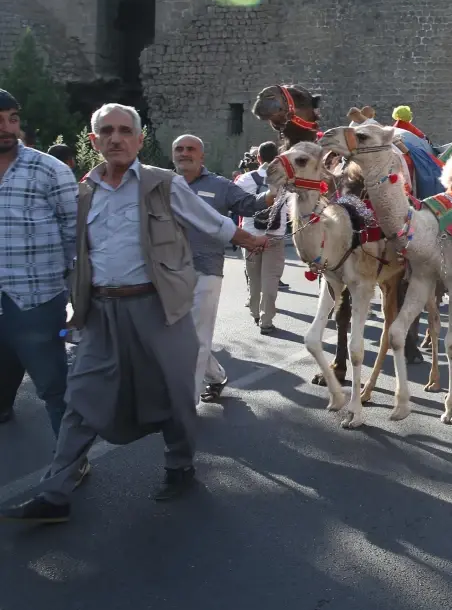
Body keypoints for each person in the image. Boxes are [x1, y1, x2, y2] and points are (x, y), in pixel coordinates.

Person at [0, 104, 267, 524]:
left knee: (178, 394)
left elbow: (211, 221)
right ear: (94, 142)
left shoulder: (164, 184)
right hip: (101, 311)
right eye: (106, 131)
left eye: (126, 131)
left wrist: (252, 240)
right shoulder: (81, 192)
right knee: (80, 400)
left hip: (158, 308)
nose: (116, 138)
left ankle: (179, 466)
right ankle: (55, 495)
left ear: (140, 140)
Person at [173, 134, 273, 403]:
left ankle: (186, 405)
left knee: (196, 337)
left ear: (201, 156)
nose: (184, 153)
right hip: (167, 273)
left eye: (190, 149)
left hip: (205, 269)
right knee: (174, 335)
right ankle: (216, 376)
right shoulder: (163, 185)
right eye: (179, 149)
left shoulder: (219, 185)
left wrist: (275, 193)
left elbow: (250, 205)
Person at [0, 89, 77, 435]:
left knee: (53, 386)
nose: (7, 127)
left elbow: (76, 233)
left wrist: (78, 294)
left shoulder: (49, 170)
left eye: (12, 119)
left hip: (36, 299)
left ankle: (71, 461)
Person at [234, 141, 289, 334]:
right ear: (277, 158)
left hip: (249, 235)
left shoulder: (244, 179)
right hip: (275, 235)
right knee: (271, 278)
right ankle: (267, 320)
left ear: (258, 158)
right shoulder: (285, 180)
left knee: (254, 277)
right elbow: (289, 209)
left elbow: (238, 205)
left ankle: (255, 312)